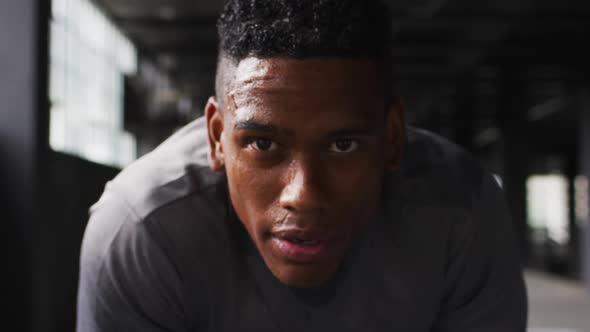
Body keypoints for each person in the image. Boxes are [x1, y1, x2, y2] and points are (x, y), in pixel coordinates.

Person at [76, 0, 527, 331]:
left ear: (392, 138)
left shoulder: (464, 210)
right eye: (262, 143)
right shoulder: (141, 230)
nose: (304, 194)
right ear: (217, 137)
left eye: (343, 144)